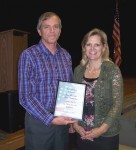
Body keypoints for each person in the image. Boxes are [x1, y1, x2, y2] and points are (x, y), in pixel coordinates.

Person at [18, 11, 77, 150]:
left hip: (62, 118)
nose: (52, 31)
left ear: (60, 30)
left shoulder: (66, 56)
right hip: (39, 121)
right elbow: (25, 97)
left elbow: (69, 89)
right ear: (39, 31)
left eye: (56, 26)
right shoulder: (28, 55)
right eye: (47, 27)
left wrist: (70, 121)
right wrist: (50, 119)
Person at [72, 28, 123, 150]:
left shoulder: (112, 70)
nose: (92, 49)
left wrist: (101, 130)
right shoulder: (78, 70)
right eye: (88, 44)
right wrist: (76, 126)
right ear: (84, 47)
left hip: (106, 135)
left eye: (97, 45)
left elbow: (118, 103)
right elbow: (73, 101)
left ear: (104, 47)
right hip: (82, 132)